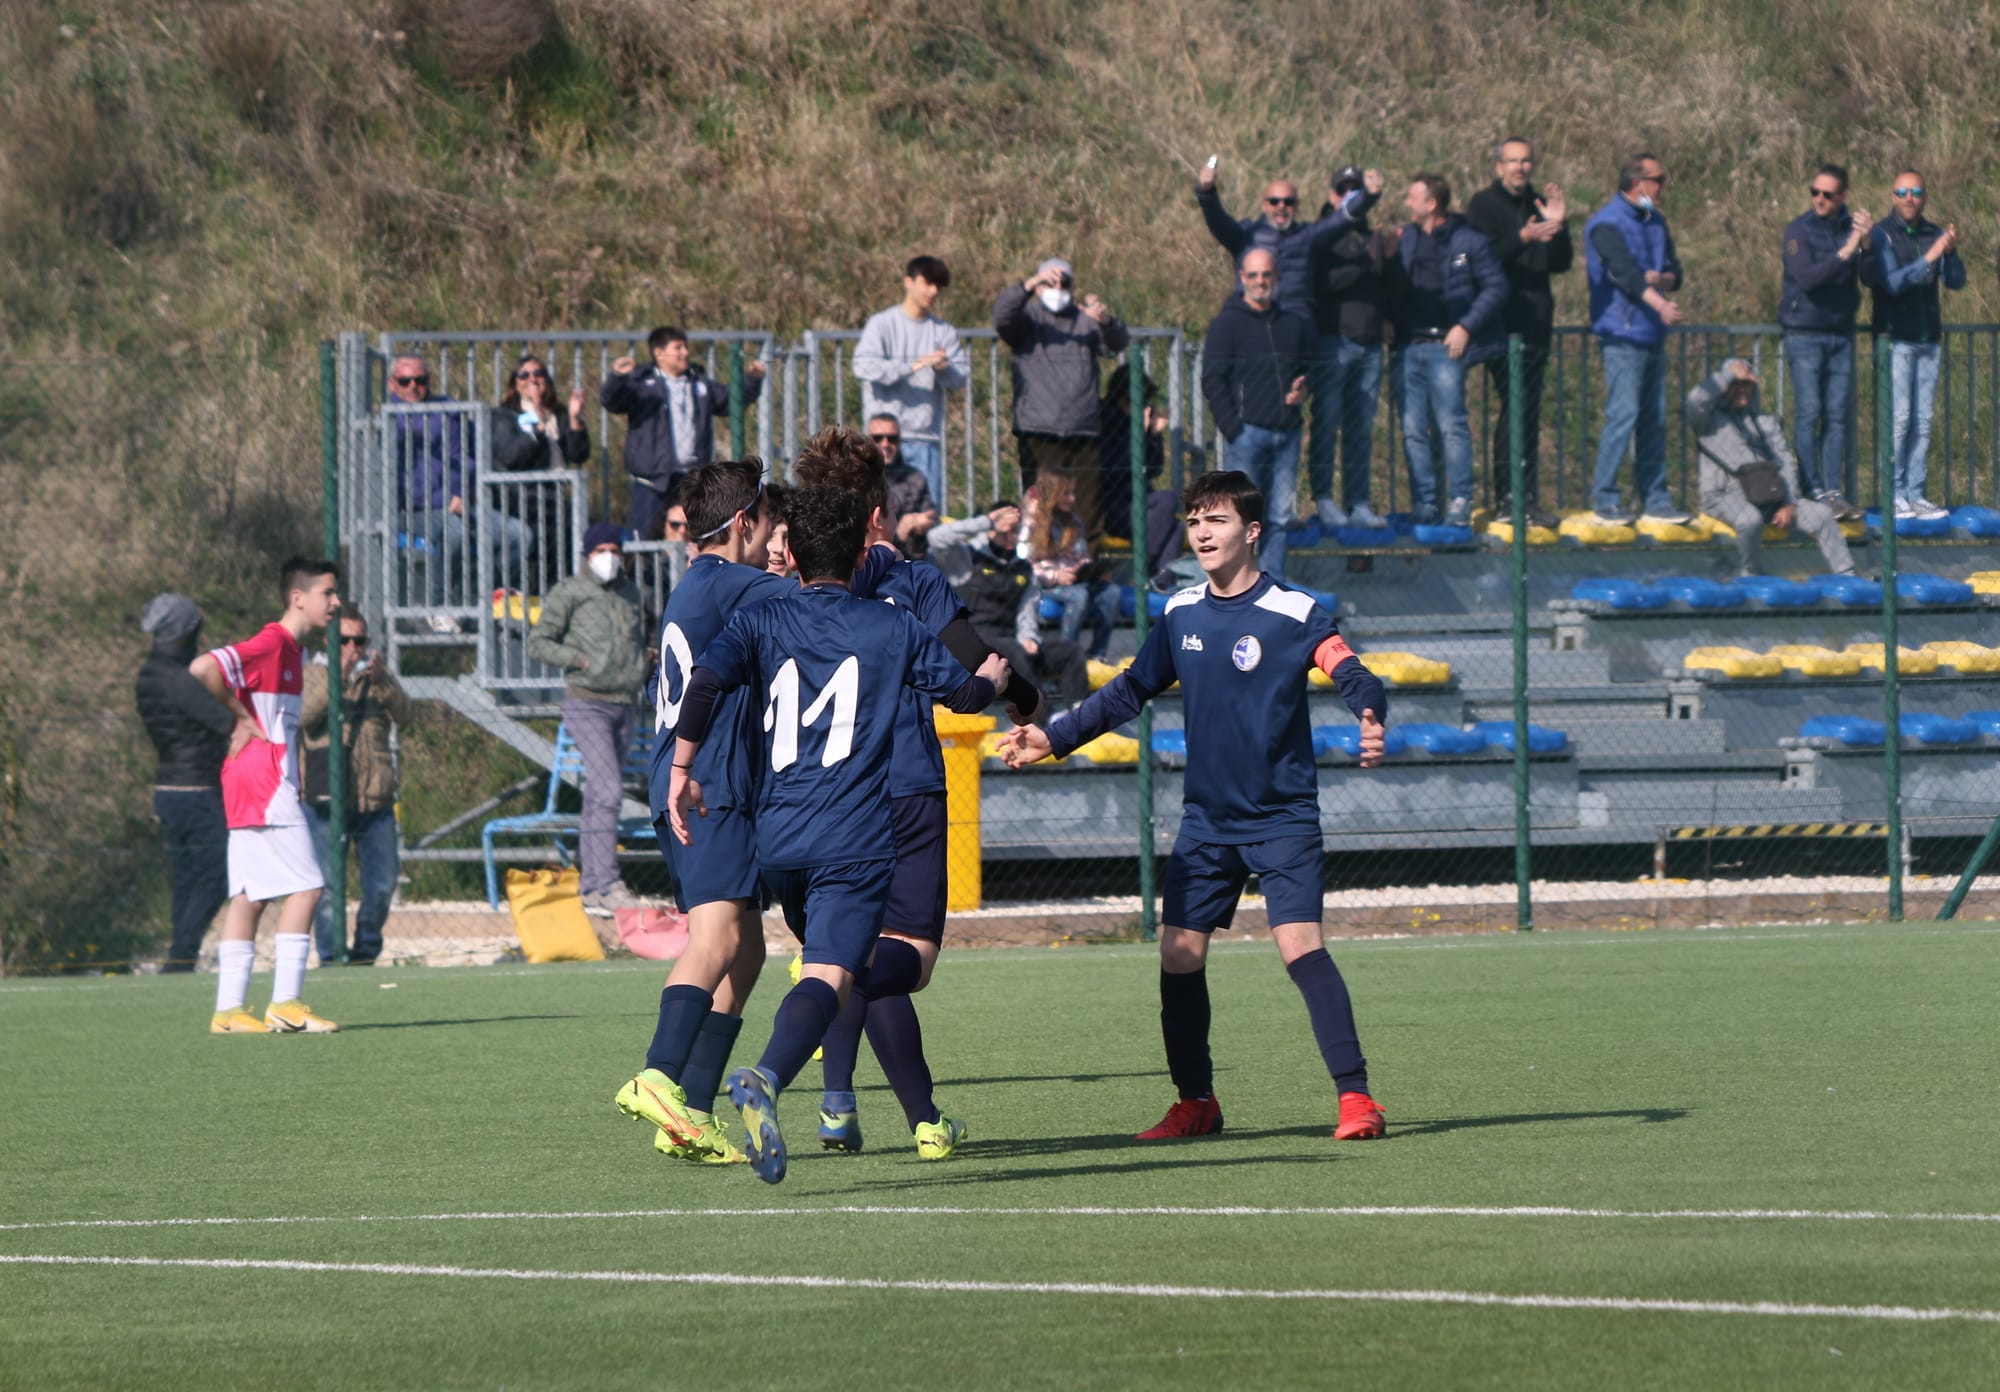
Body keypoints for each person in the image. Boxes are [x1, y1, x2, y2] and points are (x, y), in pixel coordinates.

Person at [1000, 470, 1390, 1143]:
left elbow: (1346, 665)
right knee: (1178, 954)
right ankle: (1196, 1103)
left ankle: (1357, 1099)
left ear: (1253, 532)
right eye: (1195, 522)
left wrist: (1369, 709)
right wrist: (1053, 737)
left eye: (1218, 521)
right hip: (1208, 822)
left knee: (1300, 947)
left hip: (1283, 816)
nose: (1203, 533)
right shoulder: (1181, 613)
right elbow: (1127, 692)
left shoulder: (1294, 613)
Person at [664, 487, 1009, 1184]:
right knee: (830, 974)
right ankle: (766, 1076)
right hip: (852, 837)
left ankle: (840, 1100)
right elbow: (964, 696)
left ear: (791, 553)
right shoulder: (891, 625)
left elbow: (703, 682)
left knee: (829, 969)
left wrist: (681, 766)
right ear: (860, 554)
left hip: (779, 839)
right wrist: (994, 680)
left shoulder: (763, 615)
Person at [792, 428, 1045, 1160]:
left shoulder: (795, 591)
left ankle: (861, 1108)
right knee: (906, 959)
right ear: (876, 510)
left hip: (821, 794)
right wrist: (1026, 702)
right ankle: (849, 1029)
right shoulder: (913, 580)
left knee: (846, 952)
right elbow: (977, 660)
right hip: (903, 785)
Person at [618, 460, 789, 1166]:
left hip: (707, 782)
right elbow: (811, 596)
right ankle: (657, 1076)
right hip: (706, 785)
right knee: (715, 939)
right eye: (770, 527)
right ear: (746, 523)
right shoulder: (731, 580)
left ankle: (688, 1109)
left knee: (746, 949)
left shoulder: (704, 583)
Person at [188, 557, 344, 1034]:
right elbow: (202, 667)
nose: (336, 603)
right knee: (309, 885)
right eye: (327, 593)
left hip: (248, 777)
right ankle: (286, 1002)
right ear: (298, 598)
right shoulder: (275, 641)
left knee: (250, 896)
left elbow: (269, 714)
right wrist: (241, 713)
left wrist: (249, 719)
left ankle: (228, 1011)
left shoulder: (294, 651)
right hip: (263, 780)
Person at [527, 522, 648, 912]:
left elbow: (636, 638)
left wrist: (642, 660)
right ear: (588, 554)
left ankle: (593, 887)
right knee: (610, 789)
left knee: (599, 795)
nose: (609, 557)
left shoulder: (631, 593)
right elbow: (539, 642)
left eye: (615, 548)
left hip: (625, 702)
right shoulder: (570, 591)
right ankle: (607, 881)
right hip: (586, 701)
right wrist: (579, 660)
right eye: (601, 550)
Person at [1383, 173, 1507, 527]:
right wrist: (1387, 318)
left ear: (1431, 203)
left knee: (1452, 425)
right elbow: (1394, 285)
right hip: (1408, 347)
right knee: (1412, 429)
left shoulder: (1469, 241)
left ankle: (1459, 499)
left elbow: (1496, 287)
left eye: (1412, 197)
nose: (1407, 203)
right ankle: (1425, 502)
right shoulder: (1405, 240)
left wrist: (1466, 326)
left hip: (1445, 346)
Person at [1466, 138, 1573, 529]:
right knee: (1514, 408)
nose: (1520, 168)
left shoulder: (1539, 204)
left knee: (1527, 411)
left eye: (1526, 160)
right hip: (1501, 323)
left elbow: (1562, 263)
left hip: (1536, 322)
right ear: (1499, 166)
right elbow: (1475, 258)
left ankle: (1526, 497)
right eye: (1512, 161)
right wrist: (1521, 239)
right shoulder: (1483, 205)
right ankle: (1509, 497)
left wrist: (1558, 226)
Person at [1585, 154, 1694, 524]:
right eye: (1659, 180)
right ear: (1638, 183)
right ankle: (1605, 497)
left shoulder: (1655, 221)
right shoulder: (1605, 224)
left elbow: (1673, 269)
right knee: (1623, 414)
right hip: (1623, 333)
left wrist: (1665, 282)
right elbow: (1625, 275)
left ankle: (1655, 498)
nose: (1664, 187)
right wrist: (1659, 305)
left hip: (1652, 334)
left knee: (1654, 418)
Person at [300, 610, 412, 966]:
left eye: (358, 641)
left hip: (374, 797)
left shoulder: (377, 677)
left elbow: (408, 716)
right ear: (328, 642)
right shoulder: (312, 674)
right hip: (325, 801)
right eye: (343, 640)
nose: (352, 648)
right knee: (329, 887)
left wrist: (383, 683)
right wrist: (340, 676)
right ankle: (332, 957)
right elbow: (304, 716)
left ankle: (365, 949)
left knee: (383, 883)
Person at [389, 355, 528, 633]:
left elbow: (470, 454)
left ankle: (489, 603)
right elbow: (397, 477)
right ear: (393, 384)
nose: (413, 386)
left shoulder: (448, 408)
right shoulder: (388, 416)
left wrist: (461, 492)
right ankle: (439, 608)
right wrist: (444, 500)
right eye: (406, 381)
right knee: (454, 533)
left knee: (519, 535)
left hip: (457, 502)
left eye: (421, 380)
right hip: (411, 510)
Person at [1688, 359, 1857, 579]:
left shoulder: (1765, 422)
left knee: (1822, 514)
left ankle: (1848, 576)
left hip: (1771, 499)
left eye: (1748, 384)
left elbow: (1785, 462)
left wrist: (1788, 503)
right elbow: (1694, 400)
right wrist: (1728, 375)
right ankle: (1752, 574)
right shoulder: (1708, 422)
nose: (1744, 389)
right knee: (1750, 520)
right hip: (1723, 498)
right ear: (1725, 387)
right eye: (1737, 384)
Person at [136, 594, 232, 973]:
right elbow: (226, 721)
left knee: (188, 875)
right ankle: (182, 953)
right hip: (197, 788)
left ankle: (182, 952)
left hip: (169, 790)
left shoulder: (148, 676)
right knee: (217, 870)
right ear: (182, 632)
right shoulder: (179, 681)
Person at [1200, 247, 1310, 575]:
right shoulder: (1227, 324)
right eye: (1253, 275)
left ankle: (1273, 584)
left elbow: (1309, 367)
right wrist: (1232, 427)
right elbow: (1212, 379)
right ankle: (1239, 583)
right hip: (1247, 434)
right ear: (1242, 279)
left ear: (1276, 277)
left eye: (1266, 275)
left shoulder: (1293, 324)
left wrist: (1305, 387)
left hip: (1287, 433)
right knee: (1242, 517)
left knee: (1279, 515)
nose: (1260, 282)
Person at [993, 257, 1130, 521]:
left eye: (1063, 283)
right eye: (1050, 282)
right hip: (1039, 429)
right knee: (1042, 506)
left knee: (1085, 507)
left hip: (1084, 428)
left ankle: (1083, 559)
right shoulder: (1028, 318)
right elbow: (1002, 316)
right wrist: (1030, 285)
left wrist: (1105, 321)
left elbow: (1118, 343)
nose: (1057, 288)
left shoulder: (1085, 319)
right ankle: (1040, 559)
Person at [601, 327, 766, 541]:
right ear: (659, 353)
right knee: (644, 540)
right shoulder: (642, 385)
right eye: (677, 348)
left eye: (686, 347)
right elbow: (612, 401)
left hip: (691, 480)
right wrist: (618, 378)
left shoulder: (699, 382)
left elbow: (729, 402)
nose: (685, 353)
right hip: (652, 482)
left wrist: (751, 379)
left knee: (697, 537)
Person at [1864, 170, 1964, 520]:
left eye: (1916, 191)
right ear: (1892, 196)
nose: (1909, 197)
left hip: (1928, 338)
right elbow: (1891, 283)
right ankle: (1893, 493)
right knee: (1900, 419)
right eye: (1902, 191)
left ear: (1924, 197)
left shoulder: (1934, 232)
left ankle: (1915, 493)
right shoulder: (1881, 234)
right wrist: (1929, 257)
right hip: (1895, 339)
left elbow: (1956, 282)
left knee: (1923, 420)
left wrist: (1948, 253)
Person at [929, 499, 1092, 707]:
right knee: (1013, 654)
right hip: (973, 641)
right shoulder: (967, 558)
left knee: (1069, 651)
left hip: (1009, 638)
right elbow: (936, 538)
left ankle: (1077, 717)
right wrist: (987, 521)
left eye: (1016, 531)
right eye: (1005, 530)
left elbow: (1027, 610)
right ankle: (1039, 721)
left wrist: (1029, 637)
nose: (1010, 536)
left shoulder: (1024, 568)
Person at [1777, 165, 1871, 521]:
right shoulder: (1799, 230)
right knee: (1809, 412)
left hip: (1840, 333)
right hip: (1805, 332)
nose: (1819, 199)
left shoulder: (1851, 230)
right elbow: (1808, 278)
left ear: (1843, 197)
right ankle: (1810, 486)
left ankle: (1833, 491)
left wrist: (1866, 243)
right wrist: (1848, 249)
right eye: (1814, 192)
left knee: (1836, 416)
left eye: (1827, 194)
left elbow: (1869, 276)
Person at [1304, 164, 1393, 530]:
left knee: (1360, 428)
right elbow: (1324, 283)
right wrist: (1365, 262)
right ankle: (1323, 497)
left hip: (1369, 344)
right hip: (1333, 340)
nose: (1350, 197)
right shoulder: (1323, 233)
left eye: (1356, 191)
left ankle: (1358, 501)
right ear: (1331, 195)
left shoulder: (1367, 233)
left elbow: (1381, 288)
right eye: (1343, 190)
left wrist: (1385, 260)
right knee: (1326, 422)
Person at [1194, 157, 1384, 319]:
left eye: (1289, 202)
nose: (1281, 206)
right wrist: (1207, 192)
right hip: (1254, 322)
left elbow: (1342, 219)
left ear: (1297, 206)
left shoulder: (1308, 236)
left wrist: (1367, 196)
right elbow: (1218, 222)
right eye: (1274, 201)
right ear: (1264, 205)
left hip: (1297, 323)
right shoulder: (1246, 235)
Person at [852, 256, 971, 508]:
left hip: (925, 440)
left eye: (938, 286)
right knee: (877, 514)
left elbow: (959, 378)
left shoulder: (943, 330)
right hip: (884, 441)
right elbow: (862, 366)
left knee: (925, 519)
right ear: (908, 282)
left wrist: (942, 368)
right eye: (927, 283)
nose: (933, 291)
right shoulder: (882, 324)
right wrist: (911, 366)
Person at [493, 354, 592, 589]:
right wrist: (537, 428)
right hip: (522, 500)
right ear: (514, 382)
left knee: (572, 545)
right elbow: (512, 457)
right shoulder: (505, 416)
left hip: (555, 499)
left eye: (538, 374)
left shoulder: (558, 414)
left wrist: (575, 419)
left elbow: (578, 454)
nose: (532, 379)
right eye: (524, 374)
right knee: (537, 550)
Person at [1096, 362, 1186, 585]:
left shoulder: (1136, 422)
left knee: (1174, 522)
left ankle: (1159, 585)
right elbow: (1116, 468)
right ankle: (1146, 569)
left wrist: (1153, 435)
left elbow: (1154, 468)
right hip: (1112, 506)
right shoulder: (1105, 420)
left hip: (1141, 502)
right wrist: (1141, 434)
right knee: (1169, 505)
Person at [1023, 471, 1120, 662]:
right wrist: (1056, 576)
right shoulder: (1030, 522)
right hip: (1043, 586)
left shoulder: (1073, 521)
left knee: (1112, 592)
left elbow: (1081, 555)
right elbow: (1024, 566)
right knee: (1078, 595)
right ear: (1052, 494)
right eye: (1066, 493)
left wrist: (1091, 571)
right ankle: (1067, 656)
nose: (1072, 498)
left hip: (1074, 581)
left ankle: (1097, 654)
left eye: (1073, 492)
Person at [868, 413, 939, 557]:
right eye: (878, 438)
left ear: (900, 442)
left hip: (908, 556)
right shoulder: (858, 476)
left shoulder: (915, 477)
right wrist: (899, 532)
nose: (885, 444)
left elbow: (931, 516)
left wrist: (920, 522)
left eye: (892, 439)